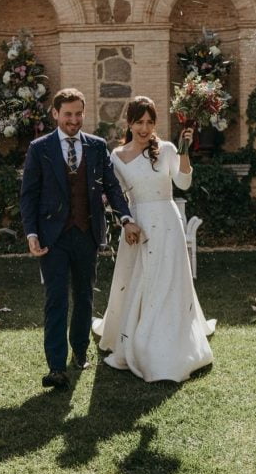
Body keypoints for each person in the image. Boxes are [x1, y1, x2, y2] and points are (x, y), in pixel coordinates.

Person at [20, 88, 141, 389]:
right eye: (67, 114)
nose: (73, 120)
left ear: (83, 114)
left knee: (85, 296)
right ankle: (56, 366)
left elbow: (112, 187)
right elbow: (29, 195)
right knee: (56, 298)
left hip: (87, 234)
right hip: (53, 237)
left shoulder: (97, 146)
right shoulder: (40, 148)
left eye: (78, 114)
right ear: (56, 114)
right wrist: (32, 233)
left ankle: (80, 351)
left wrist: (125, 218)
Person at [92, 96, 215, 382]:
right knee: (140, 279)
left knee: (168, 279)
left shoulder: (168, 149)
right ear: (129, 123)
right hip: (139, 224)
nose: (145, 128)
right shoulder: (117, 155)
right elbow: (114, 194)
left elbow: (183, 182)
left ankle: (167, 339)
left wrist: (184, 150)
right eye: (139, 122)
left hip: (168, 222)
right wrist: (125, 221)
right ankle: (137, 334)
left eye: (150, 122)